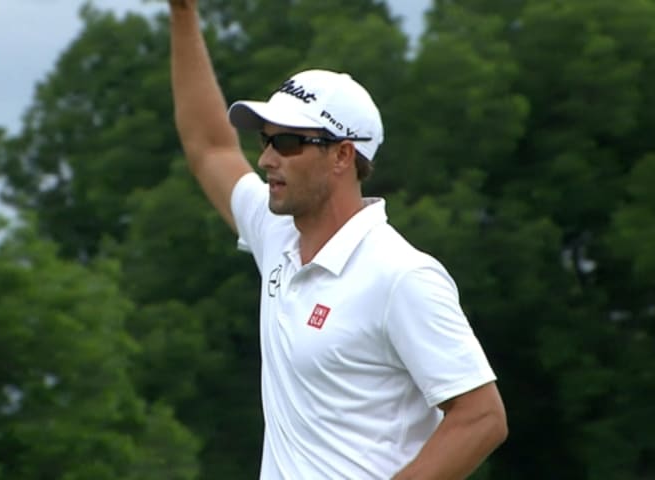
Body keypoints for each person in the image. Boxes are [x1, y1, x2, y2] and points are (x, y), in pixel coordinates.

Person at [167, 1, 507, 478]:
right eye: (265, 140)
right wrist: (183, 13)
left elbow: (482, 417)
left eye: (286, 143)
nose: (266, 158)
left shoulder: (401, 275)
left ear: (342, 156)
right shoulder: (277, 233)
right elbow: (211, 147)